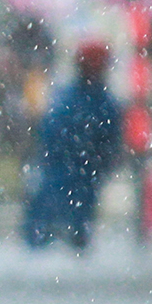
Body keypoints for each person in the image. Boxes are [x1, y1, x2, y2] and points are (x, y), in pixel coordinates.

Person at [21, 39, 123, 252]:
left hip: (57, 181)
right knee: (75, 238)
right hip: (80, 182)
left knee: (41, 239)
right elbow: (110, 146)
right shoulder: (105, 104)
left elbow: (46, 139)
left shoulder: (63, 98)